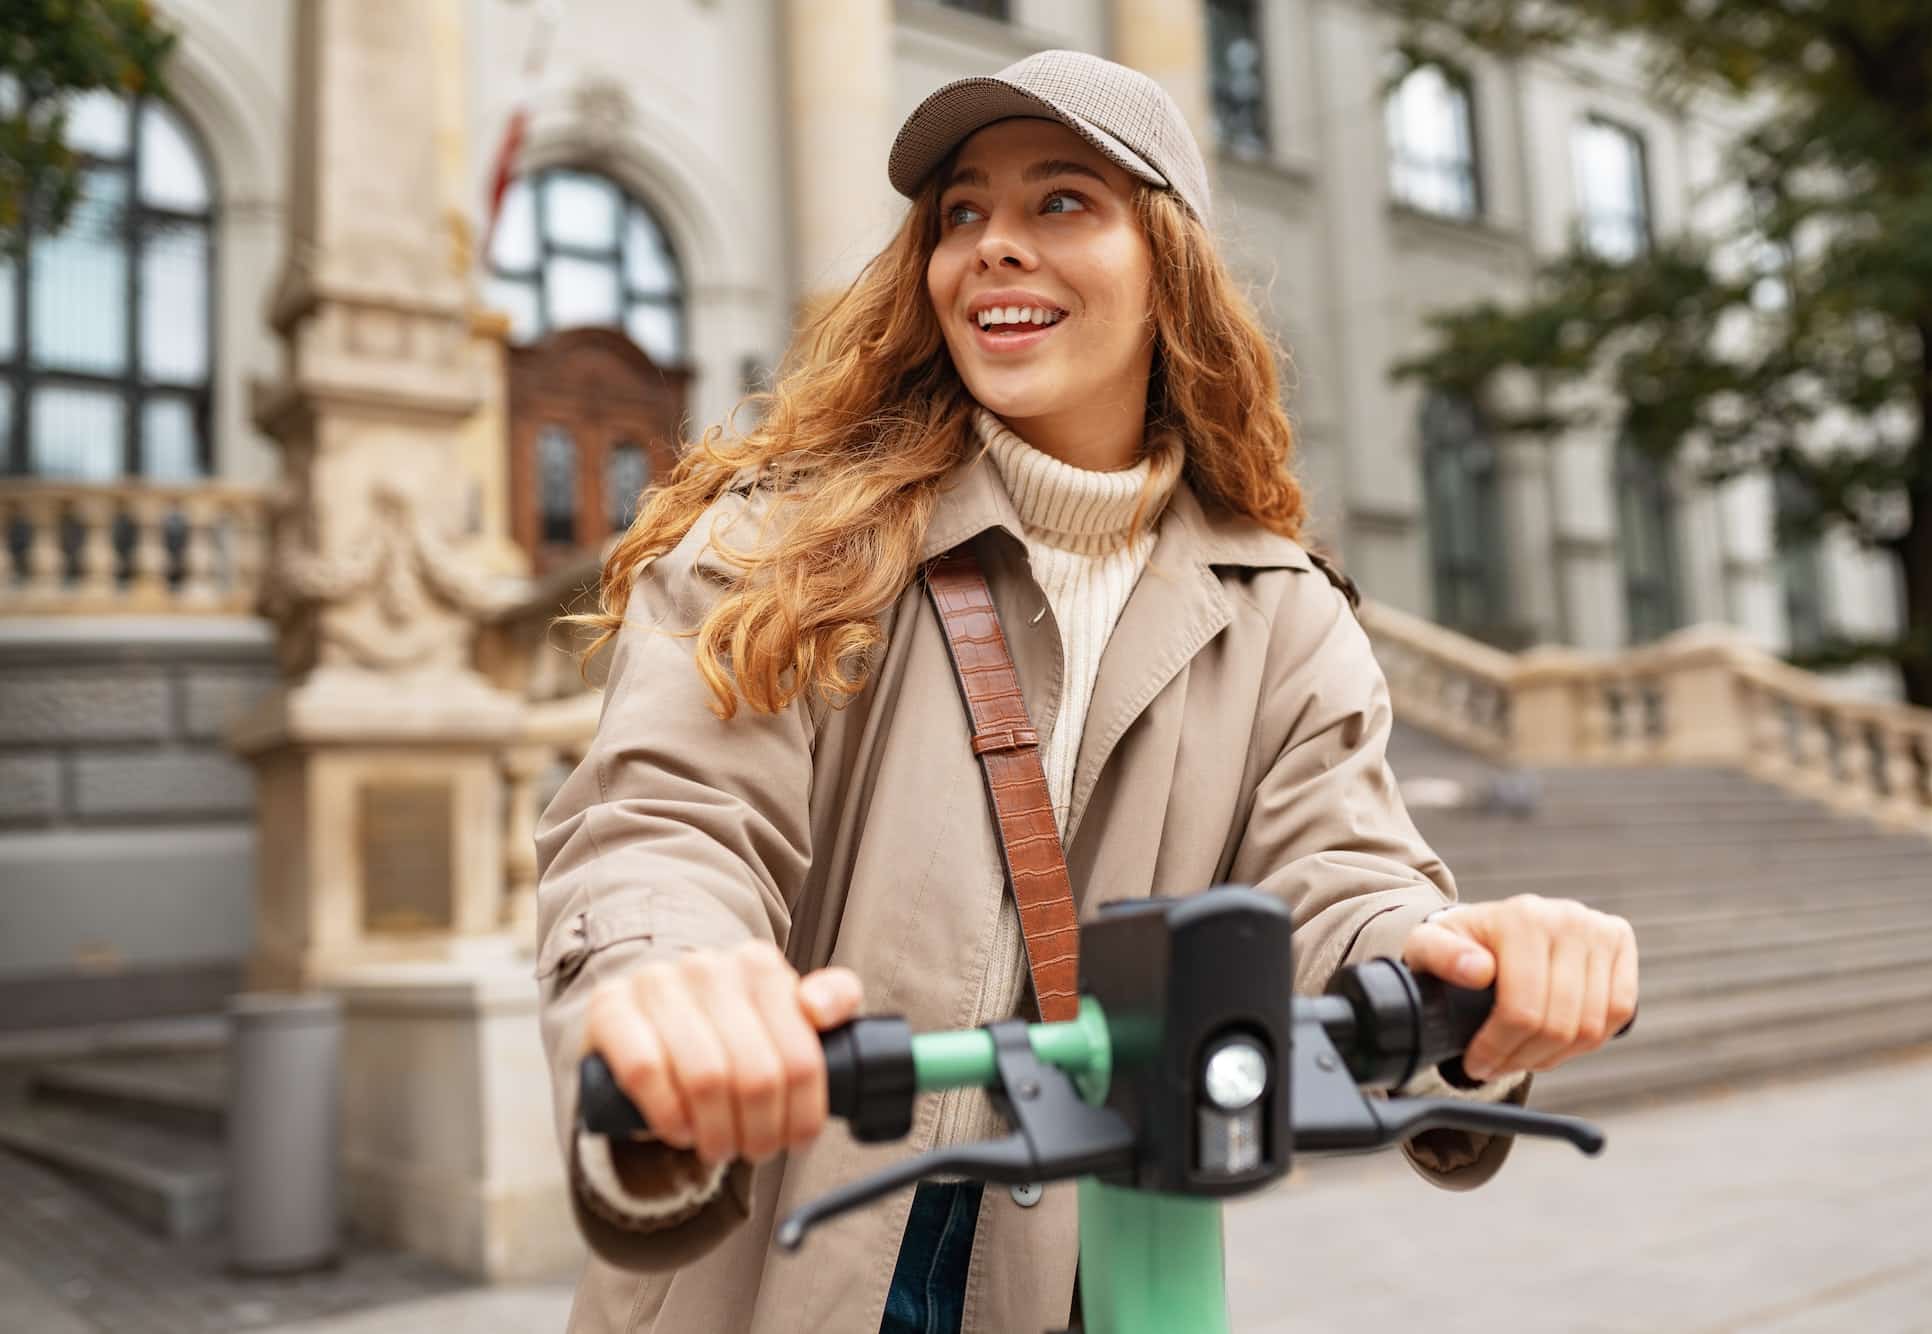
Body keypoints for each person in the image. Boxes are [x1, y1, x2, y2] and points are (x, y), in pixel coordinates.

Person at [535, 49, 1638, 1334]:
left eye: (1060, 201)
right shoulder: (777, 545)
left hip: (1075, 1257)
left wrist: (1467, 964)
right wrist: (675, 984)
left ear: (1165, 263)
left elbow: (1342, 877)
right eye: (962, 212)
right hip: (784, 1246)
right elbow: (661, 821)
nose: (993, 245)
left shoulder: (1275, 607)